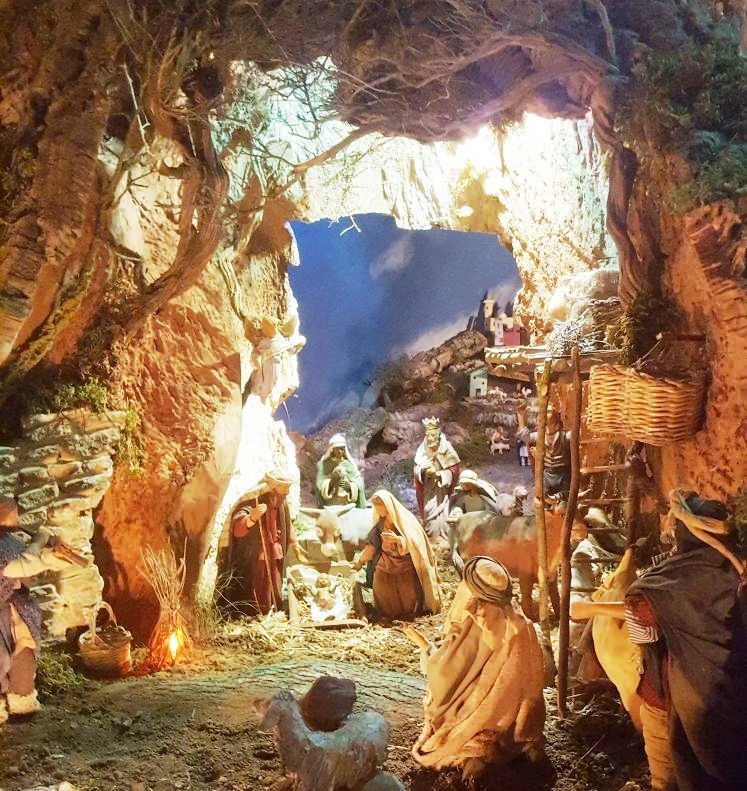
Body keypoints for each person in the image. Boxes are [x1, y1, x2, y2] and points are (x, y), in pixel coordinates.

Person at [571, 490, 747, 791]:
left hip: (675, 698)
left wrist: (596, 608)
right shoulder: (737, 571)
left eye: (675, 526)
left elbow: (644, 636)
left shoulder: (665, 586)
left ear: (686, 534)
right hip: (736, 696)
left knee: (672, 776)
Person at [407, 556, 545, 778]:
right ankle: (519, 747)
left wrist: (425, 647)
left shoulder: (479, 624)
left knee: (449, 714)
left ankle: (476, 755)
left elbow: (445, 672)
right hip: (517, 718)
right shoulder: (521, 622)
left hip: (481, 714)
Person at [1, 496, 74, 722]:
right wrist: (44, 555)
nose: (18, 517)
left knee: (24, 654)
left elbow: (27, 567)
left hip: (15, 609)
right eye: (13, 513)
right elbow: (16, 567)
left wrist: (47, 551)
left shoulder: (11, 541)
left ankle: (22, 704)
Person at [352, 490, 440, 619]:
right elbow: (372, 546)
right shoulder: (381, 524)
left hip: (405, 563)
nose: (377, 510)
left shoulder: (405, 521)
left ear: (388, 506)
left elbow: (416, 543)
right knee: (383, 589)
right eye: (375, 507)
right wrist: (360, 561)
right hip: (386, 562)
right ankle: (387, 614)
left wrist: (399, 540)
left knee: (407, 593)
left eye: (379, 506)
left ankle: (408, 614)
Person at [229, 474, 304, 615]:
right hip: (257, 551)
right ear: (273, 487)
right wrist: (252, 518)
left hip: (274, 549)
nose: (287, 492)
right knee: (258, 581)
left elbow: (286, 522)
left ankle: (273, 606)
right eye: (284, 488)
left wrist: (294, 542)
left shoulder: (282, 503)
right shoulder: (253, 502)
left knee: (275, 580)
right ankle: (255, 611)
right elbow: (237, 529)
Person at [413, 417, 460, 538]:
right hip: (429, 489)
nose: (429, 438)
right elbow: (416, 469)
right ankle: (432, 536)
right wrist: (423, 471)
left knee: (445, 516)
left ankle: (445, 537)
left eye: (432, 435)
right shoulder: (422, 450)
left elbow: (454, 471)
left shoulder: (447, 449)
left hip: (443, 491)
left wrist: (439, 475)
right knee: (428, 512)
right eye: (427, 435)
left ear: (438, 436)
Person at [516, 399, 570, 499]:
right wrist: (520, 415)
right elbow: (525, 437)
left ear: (556, 415)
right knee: (544, 502)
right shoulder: (540, 436)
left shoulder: (565, 436)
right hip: (547, 475)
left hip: (562, 475)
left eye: (549, 411)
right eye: (543, 411)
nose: (545, 414)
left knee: (563, 502)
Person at [315, 434, 367, 509]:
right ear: (332, 449)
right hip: (330, 505)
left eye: (342, 449)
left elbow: (359, 484)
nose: (340, 451)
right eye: (337, 449)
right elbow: (319, 486)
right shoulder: (324, 465)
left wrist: (349, 486)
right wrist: (332, 481)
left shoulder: (350, 464)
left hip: (347, 505)